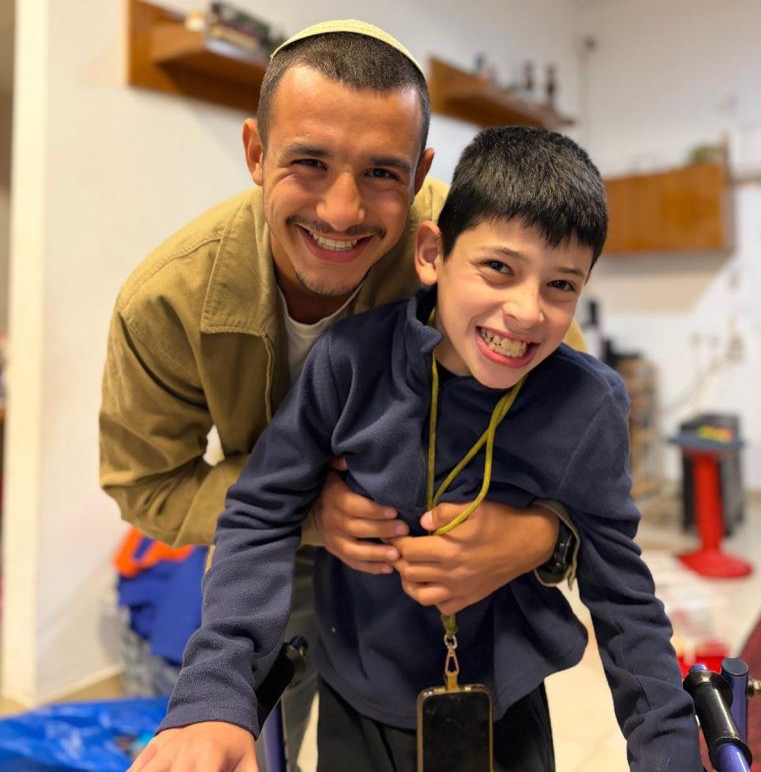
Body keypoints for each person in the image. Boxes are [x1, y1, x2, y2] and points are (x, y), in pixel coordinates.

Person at [128, 126, 702, 772]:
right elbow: (259, 513)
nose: (526, 311)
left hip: (505, 709)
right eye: (499, 268)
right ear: (432, 254)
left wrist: (670, 751)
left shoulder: (586, 402)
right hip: (355, 700)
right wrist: (214, 690)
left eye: (561, 286)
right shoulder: (348, 364)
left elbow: (623, 593)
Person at [99, 21, 582, 769]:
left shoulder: (476, 249)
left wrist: (540, 536)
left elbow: (585, 431)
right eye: (310, 162)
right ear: (256, 152)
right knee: (262, 738)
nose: (342, 211)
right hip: (274, 549)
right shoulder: (167, 302)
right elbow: (146, 484)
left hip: (441, 553)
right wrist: (308, 513)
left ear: (420, 174)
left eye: (383, 173)